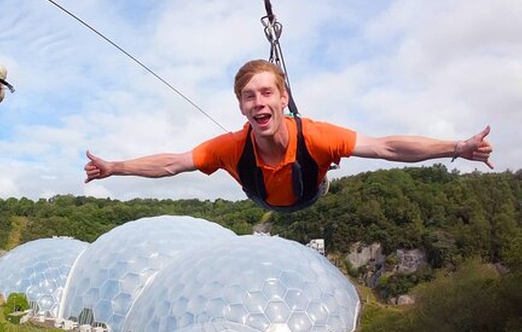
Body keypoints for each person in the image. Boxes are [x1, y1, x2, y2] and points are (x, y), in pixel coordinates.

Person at [84, 59, 493, 212]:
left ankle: (324, 179)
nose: (259, 103)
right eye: (249, 97)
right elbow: (173, 163)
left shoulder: (316, 136)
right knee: (235, 168)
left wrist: (457, 147)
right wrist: (114, 168)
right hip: (262, 196)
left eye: (266, 93)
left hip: (308, 193)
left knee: (316, 171)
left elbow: (385, 146)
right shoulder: (230, 146)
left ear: (283, 99)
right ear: (241, 107)